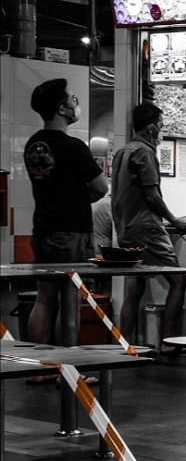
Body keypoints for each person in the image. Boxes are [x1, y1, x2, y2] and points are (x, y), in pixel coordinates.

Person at [23, 79, 107, 364]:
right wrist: (80, 198)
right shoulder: (73, 146)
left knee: (44, 299)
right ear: (62, 108)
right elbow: (101, 187)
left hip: (43, 229)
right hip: (72, 232)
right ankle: (67, 371)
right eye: (73, 99)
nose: (75, 104)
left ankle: (38, 368)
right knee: (70, 300)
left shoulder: (33, 144)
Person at [111, 102, 186, 350]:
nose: (161, 130)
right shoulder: (144, 152)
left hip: (125, 228)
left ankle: (124, 344)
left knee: (136, 285)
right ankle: (168, 341)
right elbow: (152, 196)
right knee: (179, 280)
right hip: (146, 228)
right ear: (151, 128)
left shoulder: (122, 151)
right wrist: (174, 220)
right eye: (161, 125)